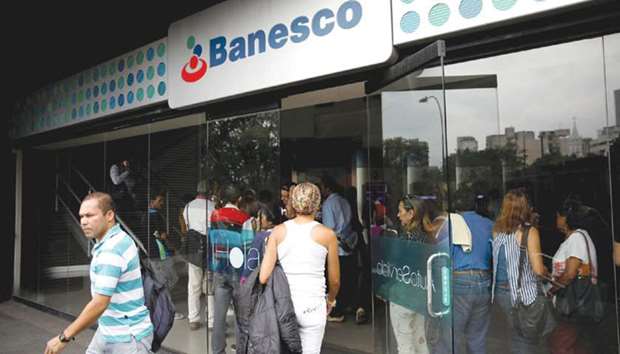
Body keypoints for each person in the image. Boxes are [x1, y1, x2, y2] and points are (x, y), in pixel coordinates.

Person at [45, 192, 152, 354]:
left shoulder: (112, 248)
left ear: (109, 215)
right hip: (108, 330)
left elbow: (100, 303)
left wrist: (64, 337)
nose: (83, 222)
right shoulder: (116, 240)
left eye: (89, 215)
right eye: (81, 216)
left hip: (128, 338)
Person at [259, 182, 340, 354]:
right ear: (318, 204)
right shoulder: (327, 234)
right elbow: (335, 280)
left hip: (284, 305)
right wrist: (330, 300)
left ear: (293, 203)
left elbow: (263, 277)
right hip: (313, 305)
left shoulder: (278, 231)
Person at [491, 188, 547, 353]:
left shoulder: (497, 231)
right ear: (525, 208)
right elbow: (537, 270)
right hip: (523, 295)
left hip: (501, 294)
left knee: (516, 335)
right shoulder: (529, 232)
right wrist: (547, 271)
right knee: (526, 340)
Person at [436, 194, 494, 354]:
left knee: (450, 337)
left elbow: (440, 256)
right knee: (477, 338)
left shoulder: (451, 224)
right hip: (484, 281)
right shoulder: (489, 224)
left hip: (459, 280)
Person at [548, 198, 599, 353]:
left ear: (565, 218)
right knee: (576, 345)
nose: (556, 219)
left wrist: (552, 289)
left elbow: (570, 274)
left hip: (573, 302)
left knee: (561, 345)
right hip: (575, 302)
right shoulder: (574, 237)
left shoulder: (576, 238)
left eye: (557, 216)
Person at [208, 184, 253, 354]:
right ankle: (241, 349)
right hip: (238, 271)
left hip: (220, 268)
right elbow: (248, 246)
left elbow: (212, 241)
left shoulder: (214, 215)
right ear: (239, 199)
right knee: (240, 316)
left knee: (219, 316)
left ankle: (218, 350)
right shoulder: (244, 218)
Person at [388, 194, 432, 354]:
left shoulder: (405, 238)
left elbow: (396, 266)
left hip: (403, 293)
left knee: (405, 343)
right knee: (420, 340)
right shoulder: (427, 237)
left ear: (411, 213)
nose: (398, 215)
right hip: (420, 293)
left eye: (400, 211)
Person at [319, 175, 358, 322]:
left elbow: (329, 229)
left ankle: (337, 312)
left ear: (327, 188)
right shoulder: (344, 201)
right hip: (348, 245)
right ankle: (347, 306)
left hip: (336, 248)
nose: (321, 190)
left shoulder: (328, 204)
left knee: (335, 280)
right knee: (347, 279)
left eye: (322, 187)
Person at [183, 180, 216, 330]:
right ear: (208, 191)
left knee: (193, 284)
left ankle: (193, 319)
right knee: (210, 286)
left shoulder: (188, 206)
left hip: (193, 248)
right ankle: (211, 321)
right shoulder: (212, 207)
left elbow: (187, 227)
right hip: (209, 248)